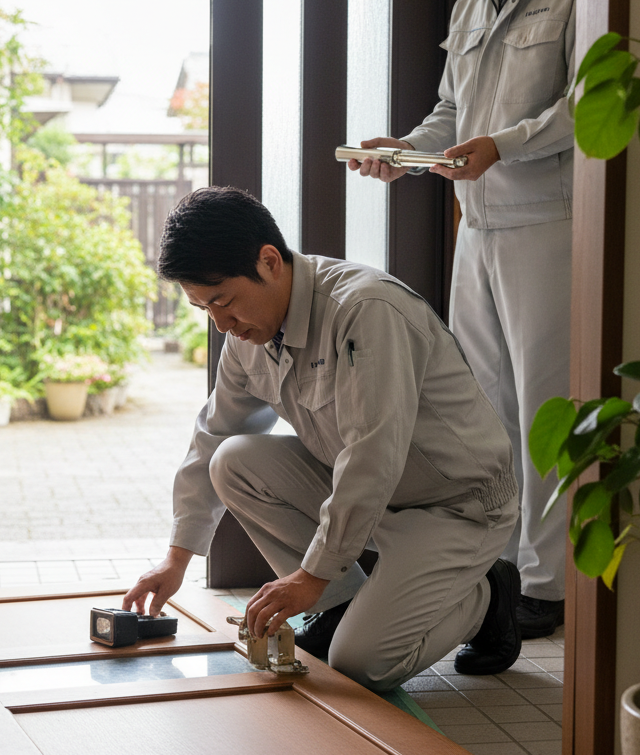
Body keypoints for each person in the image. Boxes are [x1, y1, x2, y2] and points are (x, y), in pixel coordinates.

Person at [123, 186, 522, 691]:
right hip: (377, 499)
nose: (222, 324)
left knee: (361, 665)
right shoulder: (247, 337)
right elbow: (213, 433)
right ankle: (341, 605)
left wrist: (309, 578)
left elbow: (372, 454)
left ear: (269, 261)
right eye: (205, 309)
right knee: (232, 460)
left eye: (223, 301)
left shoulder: (365, 309)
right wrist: (177, 559)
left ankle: (487, 596)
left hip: (456, 505)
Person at [350, 0, 575, 639]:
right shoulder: (473, 1)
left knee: (546, 407)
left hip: (548, 226)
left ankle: (550, 584)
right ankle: (497, 574)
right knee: (485, 412)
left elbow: (586, 107)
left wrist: (502, 147)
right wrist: (407, 149)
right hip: (474, 229)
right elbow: (452, 111)